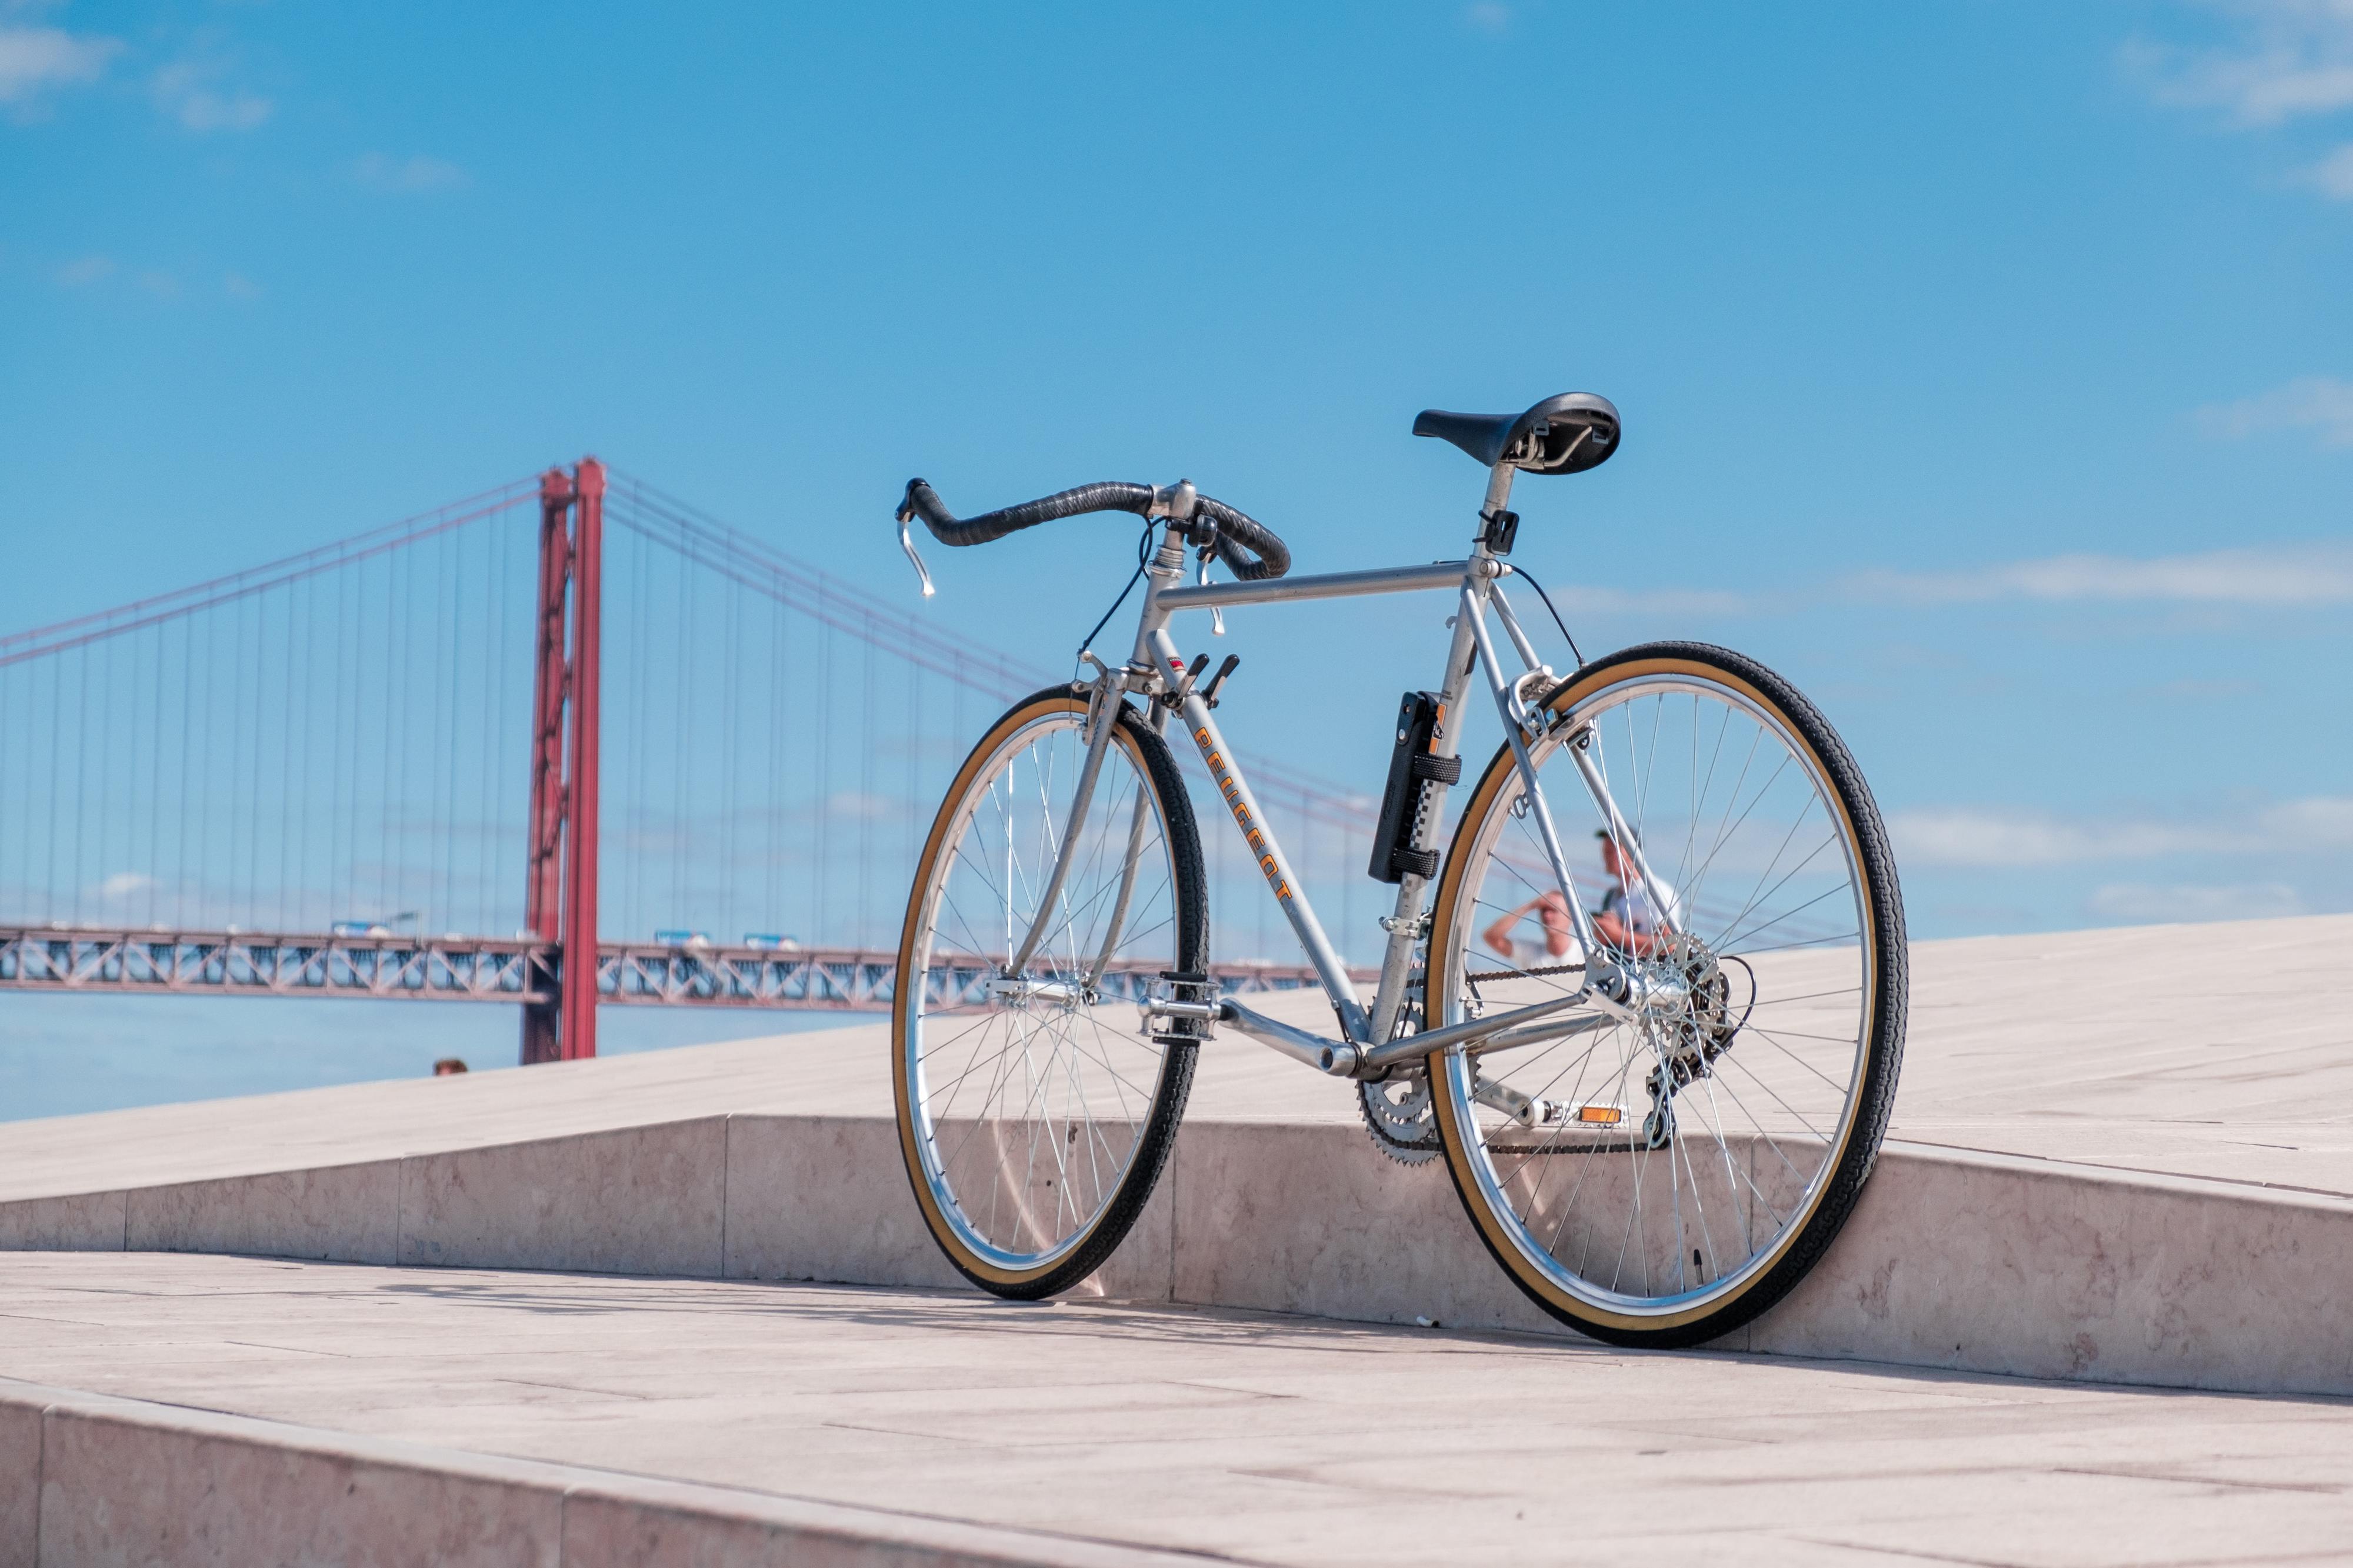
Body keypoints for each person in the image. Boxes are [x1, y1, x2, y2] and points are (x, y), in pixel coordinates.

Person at [1591, 829, 1675, 956]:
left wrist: (1620, 936)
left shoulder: (1656, 892)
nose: (1605, 856)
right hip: (1624, 972)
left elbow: (1670, 946)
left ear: (1631, 852)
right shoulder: (1611, 897)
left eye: (1611, 851)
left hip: (1653, 974)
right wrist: (1604, 936)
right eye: (1605, 851)